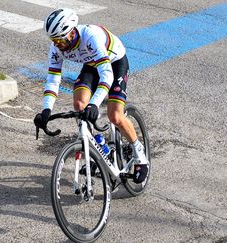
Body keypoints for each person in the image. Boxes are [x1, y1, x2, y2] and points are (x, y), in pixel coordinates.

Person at [33, 8, 149, 183]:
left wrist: (94, 104)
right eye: (53, 40)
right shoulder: (56, 48)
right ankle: (99, 148)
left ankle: (139, 152)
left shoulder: (90, 37)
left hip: (114, 62)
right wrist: (46, 110)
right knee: (79, 104)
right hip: (91, 64)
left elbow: (107, 75)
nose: (56, 45)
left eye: (58, 40)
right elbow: (52, 79)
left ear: (71, 33)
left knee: (115, 115)